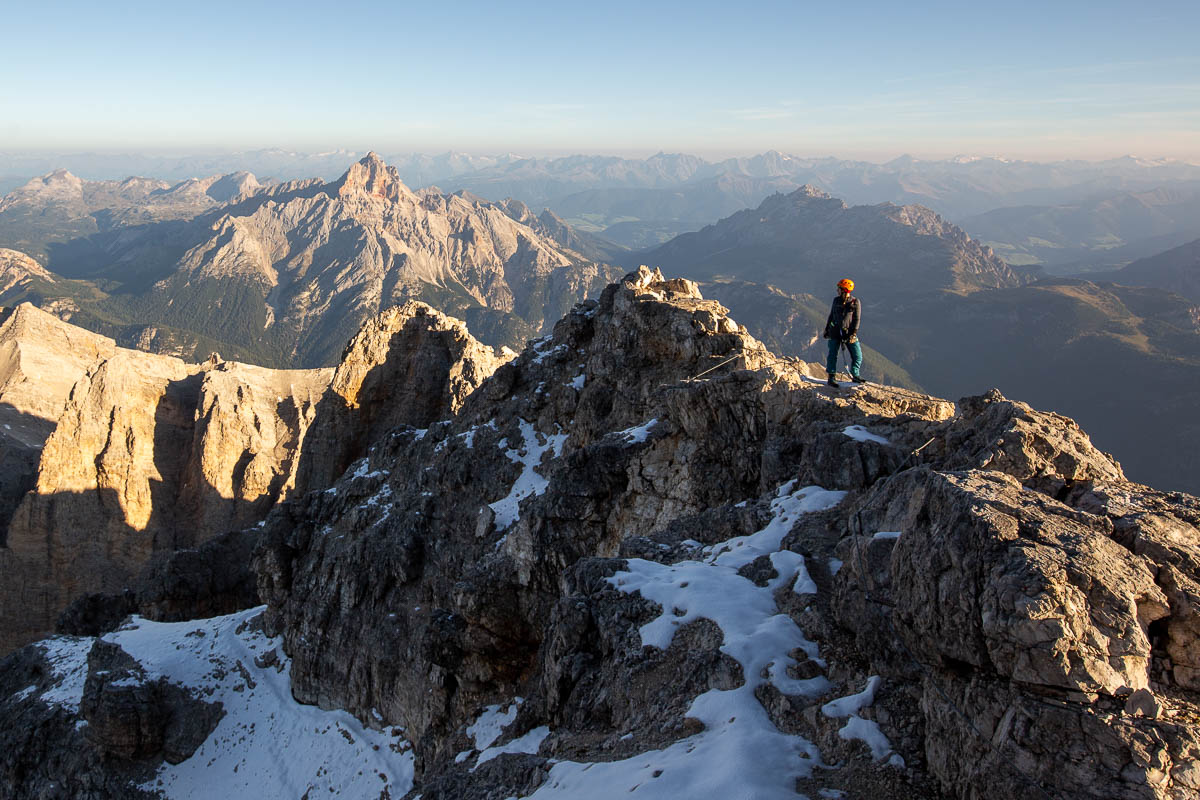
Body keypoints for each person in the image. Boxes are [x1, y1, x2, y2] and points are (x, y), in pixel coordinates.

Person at [823, 278, 865, 387]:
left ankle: (855, 374)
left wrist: (853, 333)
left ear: (844, 290)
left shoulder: (855, 302)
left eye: (839, 288)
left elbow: (857, 319)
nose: (837, 290)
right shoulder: (836, 301)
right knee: (832, 354)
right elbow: (831, 315)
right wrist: (827, 329)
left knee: (857, 355)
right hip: (835, 331)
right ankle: (831, 377)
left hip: (849, 333)